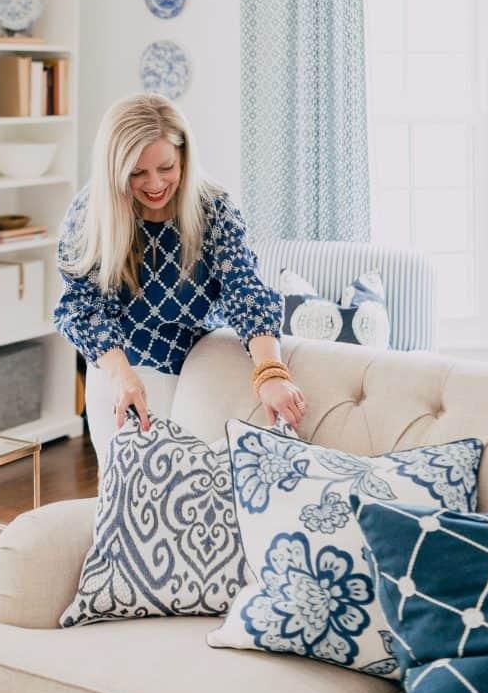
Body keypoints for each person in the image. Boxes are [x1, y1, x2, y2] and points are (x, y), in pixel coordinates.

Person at [52, 92, 306, 469]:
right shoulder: (92, 212)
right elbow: (82, 307)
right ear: (115, 170)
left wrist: (270, 372)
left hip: (200, 368)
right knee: (126, 491)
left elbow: (244, 289)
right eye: (137, 173)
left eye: (166, 167)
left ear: (184, 156)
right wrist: (123, 377)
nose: (154, 183)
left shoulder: (213, 208)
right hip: (119, 367)